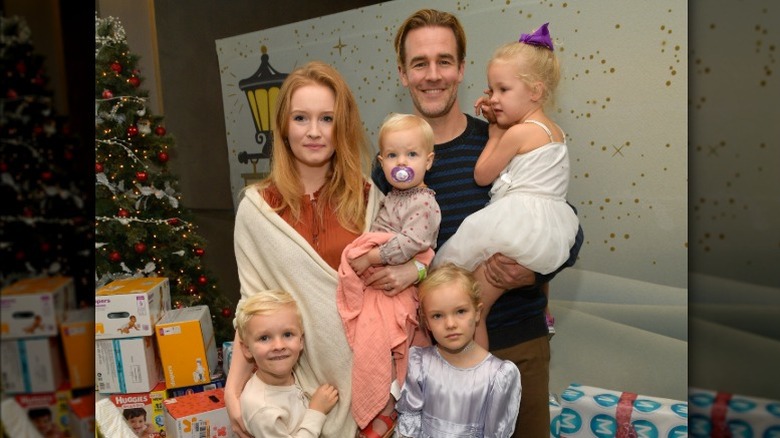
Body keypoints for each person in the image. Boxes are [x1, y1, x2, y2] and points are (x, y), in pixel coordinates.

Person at [370, 9, 584, 437]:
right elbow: (381, 258)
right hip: (435, 357)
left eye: (444, 61)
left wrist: (534, 270)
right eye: (419, 63)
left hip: (518, 343)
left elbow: (564, 223)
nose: (433, 75)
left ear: (462, 69)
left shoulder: (500, 134)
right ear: (402, 74)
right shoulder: (390, 166)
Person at [226, 60, 383, 438]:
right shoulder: (257, 208)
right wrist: (233, 389)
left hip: (372, 391)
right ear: (283, 125)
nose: (314, 132)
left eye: (327, 119)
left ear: (342, 125)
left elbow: (391, 298)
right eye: (301, 118)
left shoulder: (368, 198)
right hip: (293, 400)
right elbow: (252, 308)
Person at [431, 22, 579, 349]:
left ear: (535, 92)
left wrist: (495, 132)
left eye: (502, 90)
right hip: (548, 229)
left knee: (473, 311)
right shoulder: (555, 133)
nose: (494, 99)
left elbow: (482, 174)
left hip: (517, 224)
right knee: (471, 303)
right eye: (490, 90)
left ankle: (478, 377)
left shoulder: (517, 133)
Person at [337, 113, 439, 437]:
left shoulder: (424, 203)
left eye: (411, 154)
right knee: (370, 338)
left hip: (404, 282)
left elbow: (413, 243)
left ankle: (386, 408)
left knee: (383, 341)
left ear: (428, 160)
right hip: (382, 277)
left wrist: (371, 255)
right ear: (381, 162)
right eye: (392, 155)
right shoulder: (391, 197)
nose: (401, 162)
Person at [395, 263, 521, 437]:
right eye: (437, 315)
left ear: (477, 312)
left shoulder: (498, 375)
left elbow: (496, 433)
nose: (450, 324)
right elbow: (410, 418)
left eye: (460, 311)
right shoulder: (419, 364)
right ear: (427, 322)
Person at [235, 289, 339, 437]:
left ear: (301, 341)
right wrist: (317, 411)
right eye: (264, 338)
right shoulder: (262, 409)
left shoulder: (292, 373)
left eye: (287, 334)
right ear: (247, 349)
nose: (278, 346)